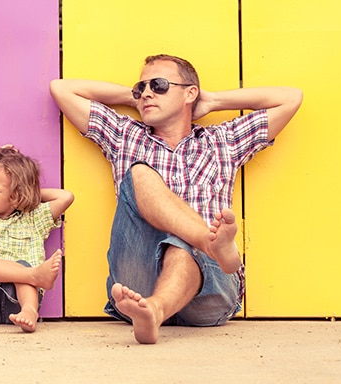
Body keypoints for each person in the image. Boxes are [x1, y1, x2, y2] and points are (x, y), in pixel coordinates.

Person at [49, 54, 303, 344]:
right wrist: (134, 100)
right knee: (140, 174)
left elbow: (291, 98)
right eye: (140, 87)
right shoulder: (125, 137)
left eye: (158, 85)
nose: (146, 93)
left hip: (210, 287)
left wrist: (213, 101)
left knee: (182, 244)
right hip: (139, 283)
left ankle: (163, 298)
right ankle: (200, 252)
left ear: (190, 92)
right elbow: (61, 89)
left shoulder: (222, 141)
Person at [0, 140, 74, 332]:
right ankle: (34, 276)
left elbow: (66, 197)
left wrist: (27, 195)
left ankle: (29, 311)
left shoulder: (32, 219)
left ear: (16, 197)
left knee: (21, 265)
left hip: (16, 303)